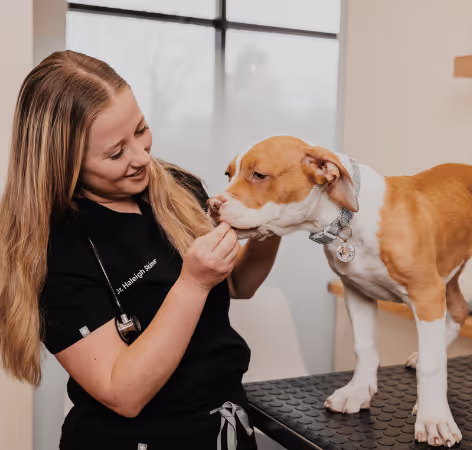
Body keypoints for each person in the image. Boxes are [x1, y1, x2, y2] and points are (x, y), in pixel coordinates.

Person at [0, 50, 281, 450]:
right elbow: (123, 393)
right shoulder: (55, 249)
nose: (142, 157)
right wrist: (192, 283)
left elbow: (238, 284)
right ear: (64, 164)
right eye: (115, 153)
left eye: (141, 129)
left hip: (223, 429)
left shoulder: (178, 188)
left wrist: (272, 224)